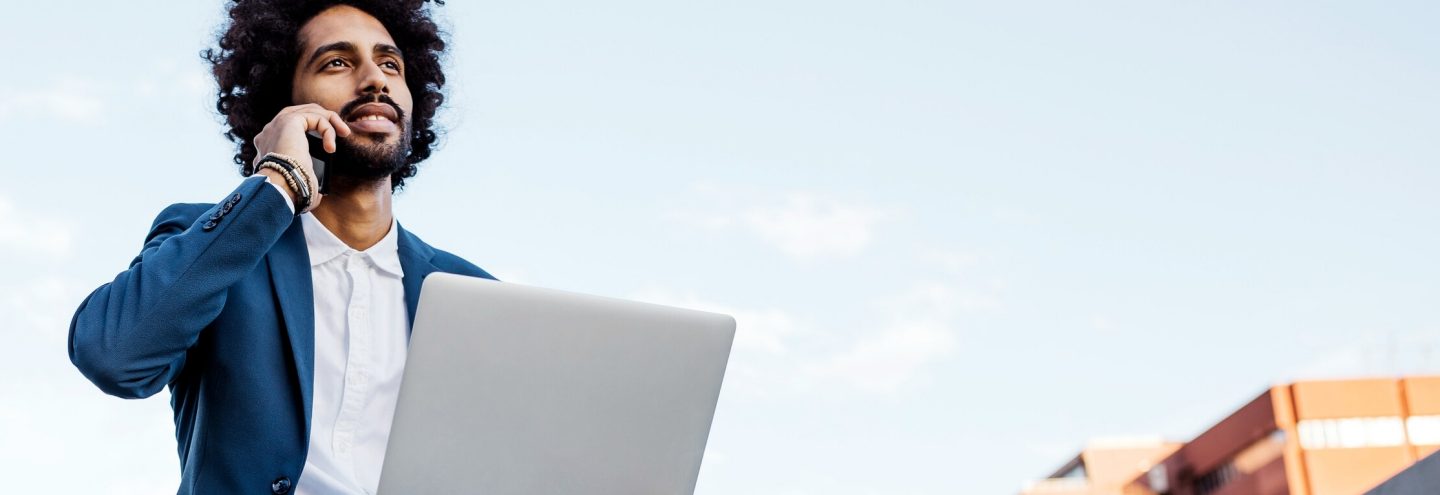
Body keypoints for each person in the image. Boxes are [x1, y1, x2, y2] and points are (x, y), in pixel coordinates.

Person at [67, 1, 493, 493]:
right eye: (338, 62)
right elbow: (113, 356)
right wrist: (278, 181)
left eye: (390, 64)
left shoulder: (468, 294)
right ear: (285, 105)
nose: (375, 79)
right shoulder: (214, 246)